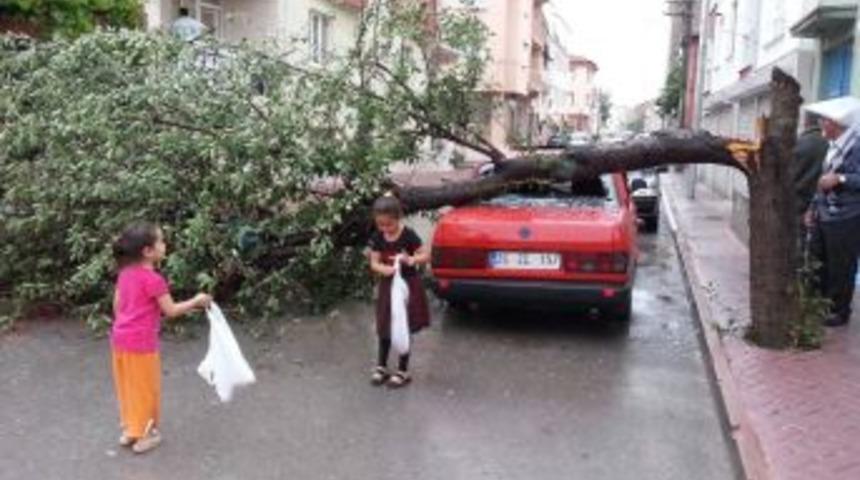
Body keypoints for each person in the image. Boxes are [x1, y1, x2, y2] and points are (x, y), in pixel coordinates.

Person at [111, 222, 211, 453]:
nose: (165, 245)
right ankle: (144, 435)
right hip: (142, 344)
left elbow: (117, 305)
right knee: (146, 388)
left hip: (120, 339)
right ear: (148, 251)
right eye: (161, 241)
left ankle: (130, 429)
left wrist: (125, 324)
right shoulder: (153, 280)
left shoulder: (125, 274)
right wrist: (196, 300)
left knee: (127, 386)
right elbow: (171, 310)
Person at [803, 97, 860, 327]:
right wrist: (812, 208)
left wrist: (840, 178)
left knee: (841, 264)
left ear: (835, 124)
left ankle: (839, 311)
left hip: (847, 216)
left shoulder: (856, 147)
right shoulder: (832, 146)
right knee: (818, 258)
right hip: (824, 212)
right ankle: (820, 304)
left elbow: (843, 178)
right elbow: (821, 181)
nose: (819, 124)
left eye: (823, 120)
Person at [367, 194, 431, 388]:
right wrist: (383, 269)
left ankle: (403, 370)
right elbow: (374, 262)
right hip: (388, 287)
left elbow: (425, 255)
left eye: (389, 224)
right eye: (381, 225)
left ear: (398, 218)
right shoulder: (378, 237)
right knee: (385, 325)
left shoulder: (409, 235)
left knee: (404, 325)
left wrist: (411, 260)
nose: (385, 228)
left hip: (408, 286)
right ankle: (381, 366)